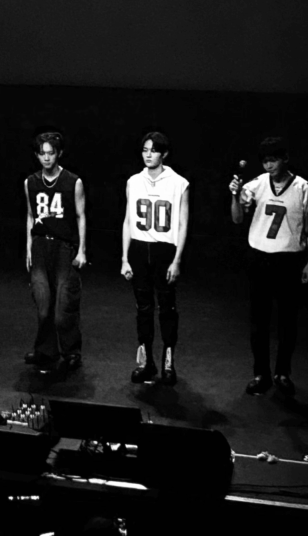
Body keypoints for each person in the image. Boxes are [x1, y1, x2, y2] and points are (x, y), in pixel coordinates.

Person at [230, 137, 308, 397]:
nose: (269, 165)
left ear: (285, 159)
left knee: (287, 321)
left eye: (273, 160)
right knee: (259, 320)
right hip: (260, 258)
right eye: (265, 161)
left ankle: (282, 373)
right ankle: (261, 373)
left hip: (289, 260)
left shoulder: (303, 188)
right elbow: (237, 219)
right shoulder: (256, 184)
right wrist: (234, 195)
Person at [121, 132, 190, 385]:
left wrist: (177, 260)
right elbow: (128, 220)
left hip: (165, 250)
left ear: (164, 153)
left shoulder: (179, 183)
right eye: (145, 150)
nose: (148, 155)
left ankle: (168, 362)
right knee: (143, 308)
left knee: (167, 308)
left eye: (153, 150)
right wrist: (124, 258)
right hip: (139, 249)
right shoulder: (133, 181)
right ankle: (146, 361)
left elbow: (182, 224)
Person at [23, 131, 87, 372]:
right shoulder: (30, 182)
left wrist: (82, 250)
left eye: (51, 153)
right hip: (40, 246)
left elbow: (81, 216)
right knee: (43, 305)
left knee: (63, 307)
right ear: (37, 155)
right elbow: (30, 215)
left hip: (64, 248)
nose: (46, 158)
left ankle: (71, 351)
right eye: (42, 153)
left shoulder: (73, 182)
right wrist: (29, 247)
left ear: (59, 153)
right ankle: (45, 350)